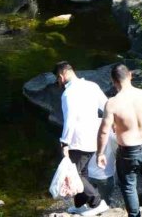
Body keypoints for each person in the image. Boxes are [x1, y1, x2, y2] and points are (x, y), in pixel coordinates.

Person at [96, 63, 142, 217]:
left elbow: (104, 131)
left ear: (113, 81)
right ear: (130, 75)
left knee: (129, 185)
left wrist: (100, 153)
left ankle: (135, 215)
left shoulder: (112, 104)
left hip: (128, 151)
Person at [55, 61, 111, 216]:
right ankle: (79, 204)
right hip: (94, 137)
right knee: (83, 171)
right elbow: (107, 106)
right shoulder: (92, 86)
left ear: (61, 75)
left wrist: (64, 142)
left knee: (76, 174)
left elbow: (70, 120)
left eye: (57, 79)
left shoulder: (68, 94)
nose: (58, 83)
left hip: (78, 140)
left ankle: (97, 202)